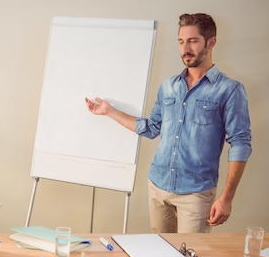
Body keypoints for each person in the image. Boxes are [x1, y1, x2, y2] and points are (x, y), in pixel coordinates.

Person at [85, 13, 251, 233]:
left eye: (193, 40)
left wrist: (227, 198)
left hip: (195, 193)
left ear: (211, 42)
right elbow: (152, 128)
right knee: (160, 256)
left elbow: (240, 143)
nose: (185, 48)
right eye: (181, 41)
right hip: (158, 186)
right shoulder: (168, 87)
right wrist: (109, 111)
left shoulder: (230, 90)